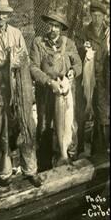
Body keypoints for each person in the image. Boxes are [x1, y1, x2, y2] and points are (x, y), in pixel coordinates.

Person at [0, 0, 42, 187]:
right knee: (0, 132)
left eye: (4, 14)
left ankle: (30, 169)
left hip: (19, 90)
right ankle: (4, 172)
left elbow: (23, 58)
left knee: (26, 126)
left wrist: (12, 58)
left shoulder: (16, 33)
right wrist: (8, 56)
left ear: (8, 15)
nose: (1, 17)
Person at [30, 11, 82, 170]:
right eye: (51, 25)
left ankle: (69, 158)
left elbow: (78, 64)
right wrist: (49, 82)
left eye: (57, 26)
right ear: (47, 26)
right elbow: (33, 67)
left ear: (61, 28)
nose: (53, 29)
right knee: (45, 126)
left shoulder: (69, 43)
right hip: (46, 92)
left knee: (70, 125)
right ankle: (45, 165)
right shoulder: (38, 43)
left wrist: (72, 72)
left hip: (65, 92)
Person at [76, 0, 110, 156]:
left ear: (104, 16)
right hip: (87, 79)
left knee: (101, 114)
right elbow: (75, 52)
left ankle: (98, 151)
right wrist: (83, 49)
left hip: (102, 80)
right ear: (90, 15)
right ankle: (79, 149)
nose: (96, 19)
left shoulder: (109, 32)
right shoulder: (83, 31)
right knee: (82, 113)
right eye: (94, 15)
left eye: (99, 16)